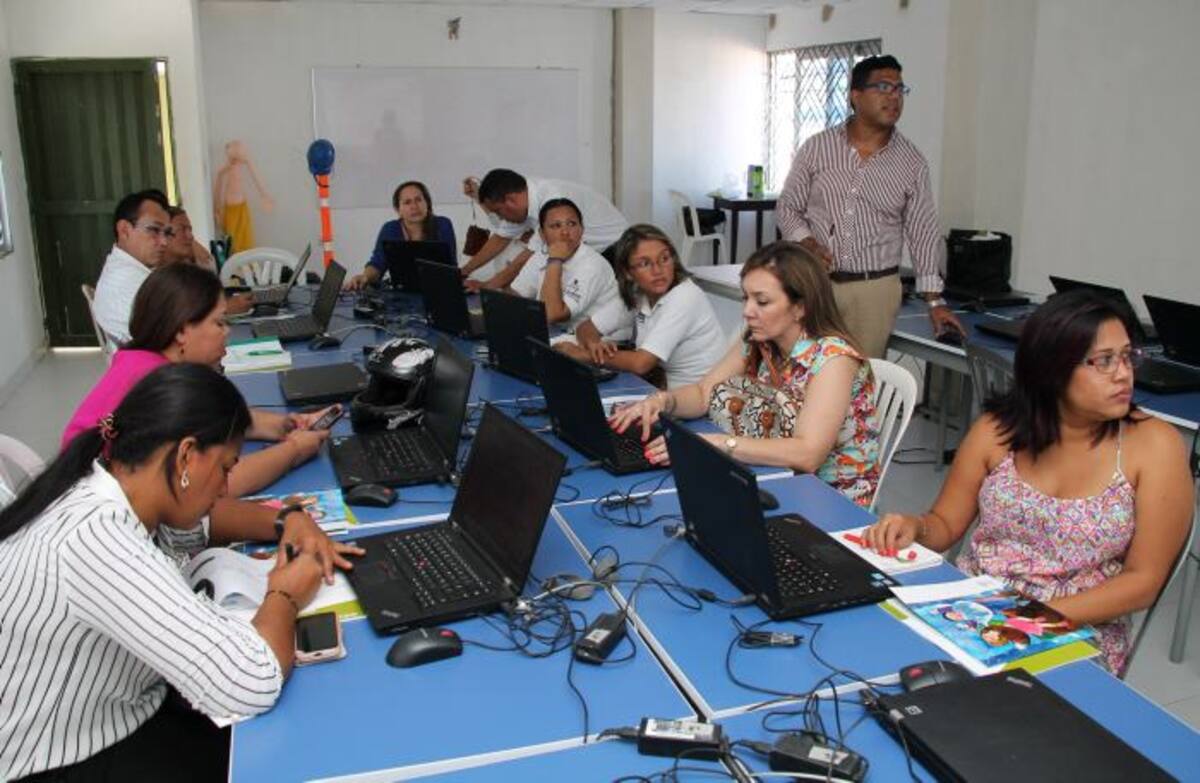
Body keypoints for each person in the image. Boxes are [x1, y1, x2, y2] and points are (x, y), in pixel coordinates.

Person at [0, 364, 362, 781]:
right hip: (59, 761)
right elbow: (249, 682)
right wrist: (284, 594)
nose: (225, 487)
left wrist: (289, 519)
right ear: (187, 455)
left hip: (117, 709)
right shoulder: (95, 539)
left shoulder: (117, 484)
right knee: (289, 755)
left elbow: (212, 520)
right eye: (225, 468)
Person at [862, 290, 1194, 674]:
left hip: (1073, 629)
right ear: (1052, 368)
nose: (1123, 373)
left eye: (1127, 356)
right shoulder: (998, 431)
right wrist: (914, 526)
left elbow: (1143, 582)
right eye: (1104, 361)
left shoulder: (1154, 445)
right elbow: (945, 524)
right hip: (975, 610)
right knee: (881, 661)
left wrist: (1024, 616)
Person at [611, 241, 883, 507]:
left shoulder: (834, 360)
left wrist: (719, 444)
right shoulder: (758, 340)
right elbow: (703, 393)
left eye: (762, 301)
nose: (747, 311)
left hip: (830, 501)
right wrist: (662, 401)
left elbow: (807, 454)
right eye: (746, 298)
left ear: (800, 307)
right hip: (778, 478)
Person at [63, 263, 332, 497]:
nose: (227, 332)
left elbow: (217, 419)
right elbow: (217, 484)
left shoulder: (142, 359)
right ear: (182, 330)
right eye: (219, 323)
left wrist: (285, 425)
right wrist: (294, 450)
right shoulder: (162, 387)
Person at [775, 55, 963, 358]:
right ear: (855, 95)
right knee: (801, 370)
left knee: (858, 378)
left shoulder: (911, 162)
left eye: (900, 89)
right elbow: (788, 207)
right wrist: (807, 242)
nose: (894, 97)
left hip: (874, 293)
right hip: (815, 284)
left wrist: (934, 301)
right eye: (884, 87)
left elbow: (923, 232)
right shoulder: (817, 147)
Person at [558, 224, 725, 388]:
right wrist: (595, 346)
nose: (658, 270)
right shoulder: (638, 292)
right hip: (660, 387)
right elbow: (586, 328)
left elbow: (641, 364)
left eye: (664, 259)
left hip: (698, 394)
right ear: (628, 273)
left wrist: (583, 355)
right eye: (645, 263)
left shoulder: (685, 295)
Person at [460, 169, 628, 289]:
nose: (500, 218)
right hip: (589, 252)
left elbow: (527, 258)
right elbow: (500, 238)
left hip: (615, 251)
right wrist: (464, 271)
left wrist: (488, 286)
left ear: (510, 201)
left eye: (498, 211)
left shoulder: (552, 202)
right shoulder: (524, 197)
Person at [500, 198, 620, 331]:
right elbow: (516, 295)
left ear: (581, 230)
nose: (565, 232)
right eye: (556, 226)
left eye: (572, 224)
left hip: (597, 338)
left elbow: (552, 315)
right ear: (542, 234)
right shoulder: (541, 255)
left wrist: (555, 260)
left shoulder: (593, 265)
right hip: (557, 332)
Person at [93, 189, 171, 345]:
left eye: (167, 233)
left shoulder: (128, 271)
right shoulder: (127, 281)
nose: (164, 242)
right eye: (154, 230)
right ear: (124, 230)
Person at [346, 180, 457, 290]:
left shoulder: (443, 225)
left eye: (418, 200)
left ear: (427, 203)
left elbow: (450, 266)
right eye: (407, 202)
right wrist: (365, 277)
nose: (414, 206)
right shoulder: (390, 229)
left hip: (439, 290)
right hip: (402, 293)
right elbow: (377, 264)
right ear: (398, 209)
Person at [166, 206, 253, 316]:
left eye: (190, 230)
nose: (191, 236)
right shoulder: (156, 278)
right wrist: (224, 309)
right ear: (163, 233)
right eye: (182, 229)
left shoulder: (186, 267)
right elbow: (179, 318)